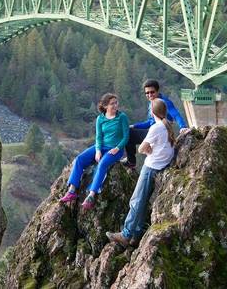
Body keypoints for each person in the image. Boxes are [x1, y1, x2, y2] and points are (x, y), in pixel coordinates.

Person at [106, 98, 177, 247]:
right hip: (161, 167)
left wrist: (148, 149)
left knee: (136, 200)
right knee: (142, 202)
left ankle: (126, 235)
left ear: (152, 112)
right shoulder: (167, 125)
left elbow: (141, 149)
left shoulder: (156, 127)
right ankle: (136, 235)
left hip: (151, 168)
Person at [59, 93, 129, 210]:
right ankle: (72, 190)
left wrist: (117, 148)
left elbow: (126, 136)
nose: (115, 105)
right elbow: (99, 137)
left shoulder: (122, 117)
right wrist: (97, 150)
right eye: (112, 104)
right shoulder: (100, 118)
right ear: (105, 106)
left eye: (116, 103)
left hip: (115, 149)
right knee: (79, 159)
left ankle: (91, 195)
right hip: (100, 146)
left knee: (102, 164)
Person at [122, 79, 187, 169]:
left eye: (152, 92)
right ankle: (131, 161)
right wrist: (134, 126)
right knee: (129, 131)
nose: (149, 95)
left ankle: (131, 162)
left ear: (157, 91)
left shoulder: (164, 102)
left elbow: (176, 114)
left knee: (128, 134)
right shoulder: (152, 102)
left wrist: (183, 127)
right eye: (147, 93)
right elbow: (150, 122)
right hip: (155, 131)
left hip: (160, 134)